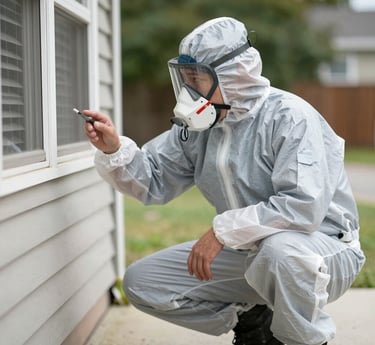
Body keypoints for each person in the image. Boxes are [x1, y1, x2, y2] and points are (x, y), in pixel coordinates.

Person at [84, 17, 365, 345]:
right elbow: (154, 182)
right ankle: (253, 319)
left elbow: (303, 209)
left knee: (280, 252)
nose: (189, 89)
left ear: (233, 74)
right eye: (184, 78)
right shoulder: (202, 126)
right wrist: (114, 149)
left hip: (324, 250)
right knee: (142, 282)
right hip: (251, 252)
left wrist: (222, 231)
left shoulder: (290, 117)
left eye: (196, 78)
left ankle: (302, 340)